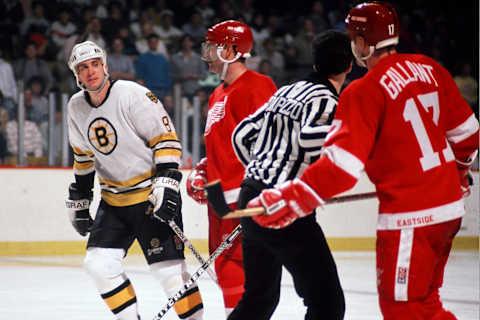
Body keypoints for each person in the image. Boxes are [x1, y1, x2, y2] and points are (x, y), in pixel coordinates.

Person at [247, 3, 480, 320]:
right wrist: (459, 172)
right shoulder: (431, 68)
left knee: (405, 310)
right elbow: (468, 135)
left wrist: (292, 198)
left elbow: (341, 167)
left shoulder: (364, 90)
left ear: (361, 43)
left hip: (411, 219)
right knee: (428, 304)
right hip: (450, 212)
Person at [64, 41, 204, 320]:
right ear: (76, 76)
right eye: (82, 68)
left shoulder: (134, 94)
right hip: (114, 201)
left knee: (171, 275)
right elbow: (83, 157)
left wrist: (166, 182)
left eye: (94, 64)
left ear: (105, 66)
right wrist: (80, 198)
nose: (90, 72)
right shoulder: (75, 107)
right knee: (98, 265)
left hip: (151, 197)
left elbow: (166, 140)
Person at [228, 29, 351, 320]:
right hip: (283, 205)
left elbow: (242, 135)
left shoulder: (286, 90)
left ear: (315, 63)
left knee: (259, 299)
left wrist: (260, 174)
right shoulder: (327, 100)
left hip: (251, 194)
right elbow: (311, 140)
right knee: (327, 304)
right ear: (350, 65)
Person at [185, 20, 277, 317]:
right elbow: (221, 147)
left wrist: (259, 195)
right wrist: (203, 170)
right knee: (226, 272)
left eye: (212, 46)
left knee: (242, 276)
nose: (207, 53)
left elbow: (269, 145)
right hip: (219, 204)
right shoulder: (216, 94)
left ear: (231, 50)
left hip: (243, 203)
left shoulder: (257, 85)